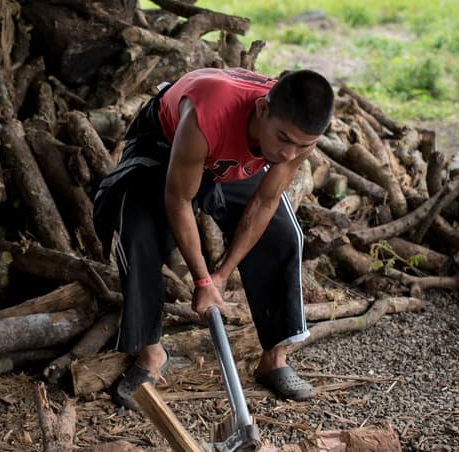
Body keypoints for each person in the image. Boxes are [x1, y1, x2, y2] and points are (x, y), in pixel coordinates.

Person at [92, 66, 335, 409]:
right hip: (167, 141)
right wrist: (202, 280)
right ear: (263, 110)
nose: (289, 154)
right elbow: (178, 200)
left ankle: (274, 358)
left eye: (303, 145)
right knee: (139, 229)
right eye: (283, 139)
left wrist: (220, 277)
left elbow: (265, 201)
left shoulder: (296, 138)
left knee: (282, 235)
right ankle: (150, 356)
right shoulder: (208, 114)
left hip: (232, 153)